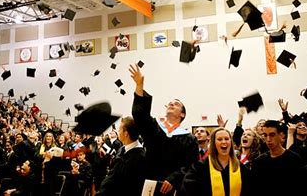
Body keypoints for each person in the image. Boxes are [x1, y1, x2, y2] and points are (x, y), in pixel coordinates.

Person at [129, 63, 198, 194]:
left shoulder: (189, 139)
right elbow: (140, 115)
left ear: (182, 114)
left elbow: (191, 165)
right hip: (150, 183)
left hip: (175, 188)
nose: (172, 103)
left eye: (176, 104)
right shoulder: (155, 128)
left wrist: (174, 178)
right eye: (170, 103)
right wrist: (139, 85)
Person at [181, 127, 251, 196]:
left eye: (226, 139)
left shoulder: (241, 168)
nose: (224, 142)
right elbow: (188, 191)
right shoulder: (199, 168)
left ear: (231, 142)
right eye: (219, 139)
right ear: (213, 143)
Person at [252, 120, 304, 196]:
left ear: (281, 135)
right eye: (265, 135)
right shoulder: (259, 162)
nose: (268, 139)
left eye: (272, 135)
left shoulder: (294, 159)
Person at [97, 116, 147, 196]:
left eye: (120, 129)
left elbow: (124, 184)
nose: (118, 131)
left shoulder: (138, 157)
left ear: (126, 133)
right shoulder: (122, 148)